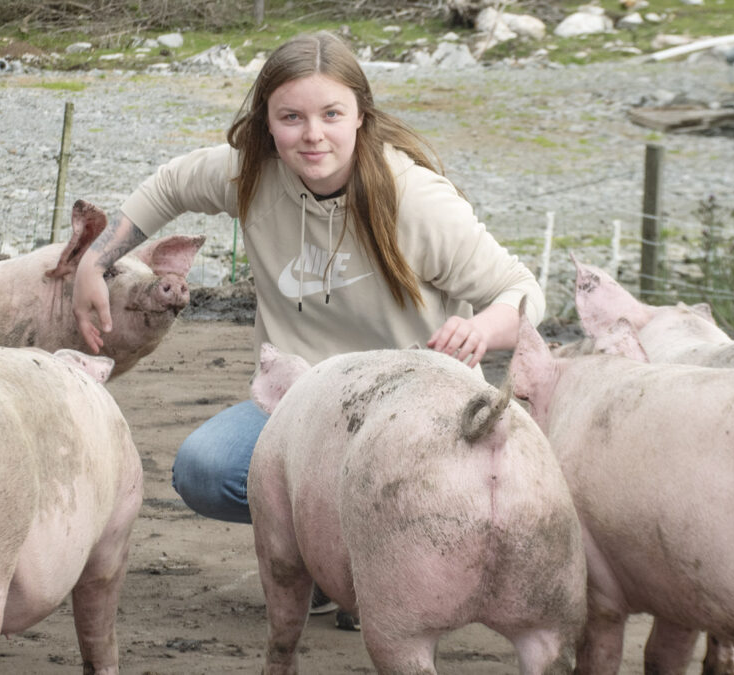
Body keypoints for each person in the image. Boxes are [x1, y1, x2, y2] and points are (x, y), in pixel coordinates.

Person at [72, 30, 544, 628]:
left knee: (443, 488)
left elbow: (522, 289)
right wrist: (94, 262)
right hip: (300, 402)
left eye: (331, 114)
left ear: (361, 115)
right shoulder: (252, 176)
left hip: (413, 413)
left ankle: (386, 570)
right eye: (291, 117)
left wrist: (482, 328)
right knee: (204, 469)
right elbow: (168, 185)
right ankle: (329, 563)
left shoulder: (415, 200)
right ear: (267, 123)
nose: (312, 134)